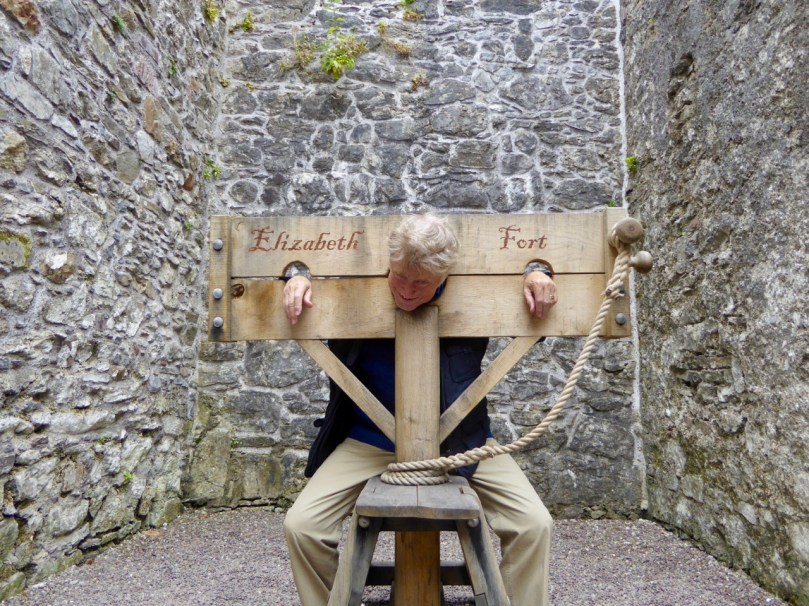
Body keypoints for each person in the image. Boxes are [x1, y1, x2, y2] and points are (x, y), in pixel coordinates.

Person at [282, 214, 557, 606]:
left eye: (422, 283)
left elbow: (539, 303)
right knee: (302, 526)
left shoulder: (476, 294)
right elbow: (298, 265)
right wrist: (293, 276)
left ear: (444, 276)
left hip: (461, 442)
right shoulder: (358, 285)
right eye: (398, 278)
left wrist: (537, 272)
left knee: (534, 525)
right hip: (368, 441)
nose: (407, 291)